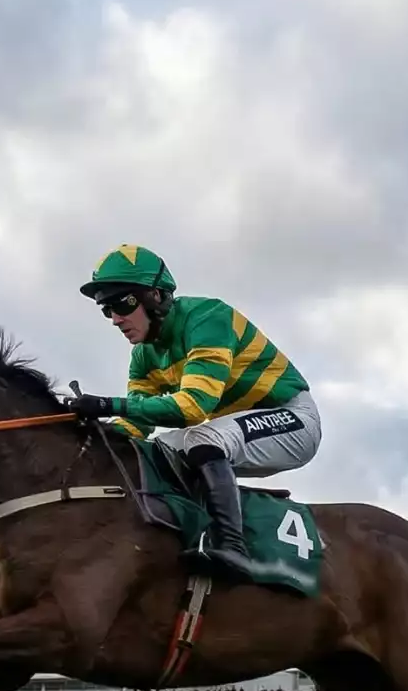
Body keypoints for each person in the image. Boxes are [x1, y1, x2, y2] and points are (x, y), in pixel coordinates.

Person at [64, 244, 319, 583]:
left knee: (203, 436)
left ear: (155, 296)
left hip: (292, 419)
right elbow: (138, 425)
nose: (115, 319)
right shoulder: (143, 355)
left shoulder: (207, 318)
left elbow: (193, 407)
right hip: (235, 431)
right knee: (157, 451)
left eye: (122, 304)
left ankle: (233, 549)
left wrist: (108, 404)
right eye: (106, 309)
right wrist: (91, 434)